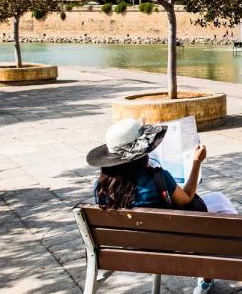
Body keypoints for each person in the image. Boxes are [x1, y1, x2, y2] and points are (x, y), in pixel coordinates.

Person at [87, 119, 213, 294]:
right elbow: (186, 199)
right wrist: (196, 163)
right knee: (219, 205)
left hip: (126, 248)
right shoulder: (159, 178)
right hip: (168, 245)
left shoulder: (101, 187)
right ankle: (206, 280)